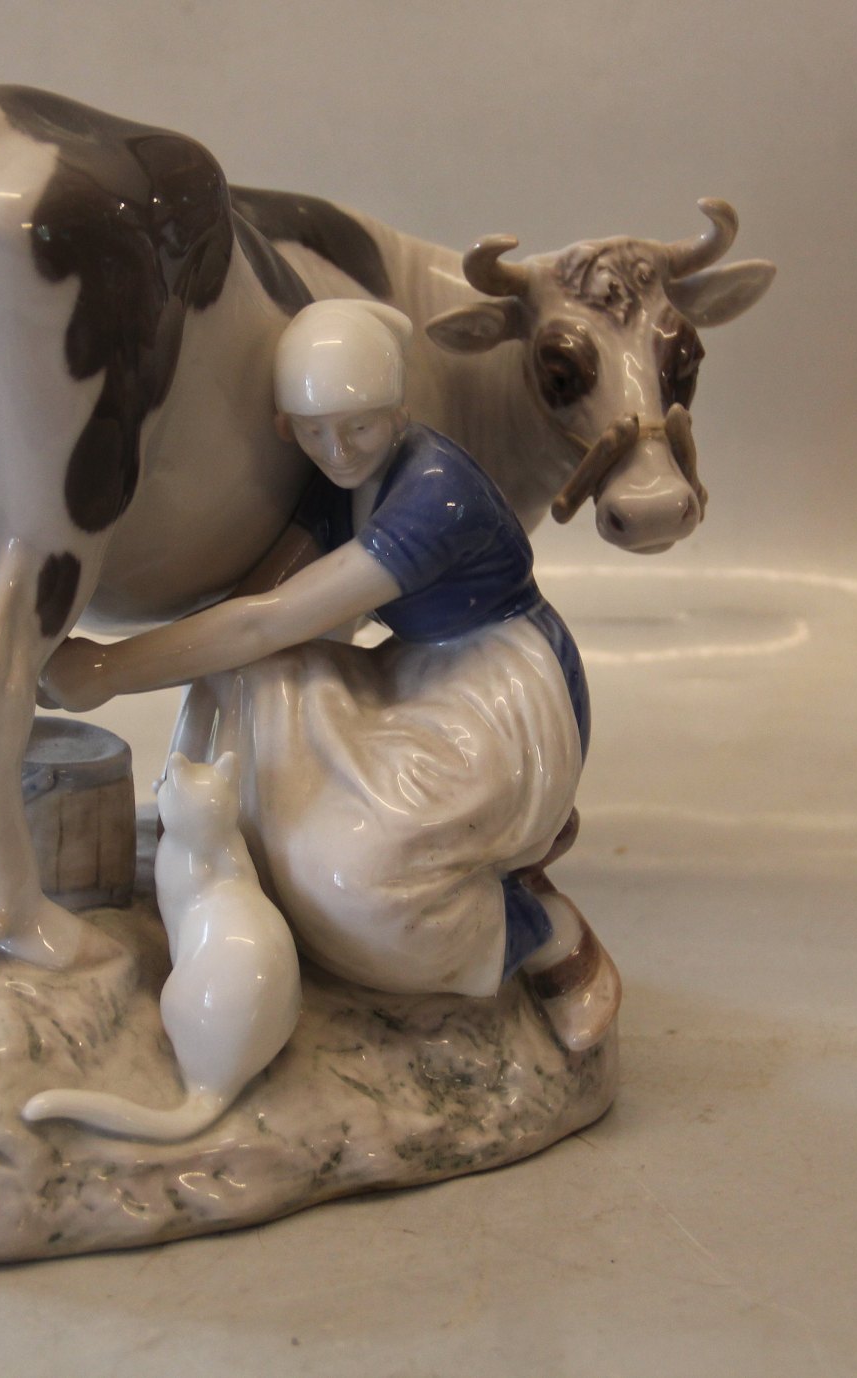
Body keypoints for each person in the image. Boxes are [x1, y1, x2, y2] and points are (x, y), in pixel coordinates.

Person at [42, 300, 618, 1050]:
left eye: (360, 427)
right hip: (415, 671)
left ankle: (541, 932)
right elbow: (255, 611)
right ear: (286, 427)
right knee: (244, 679)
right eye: (314, 431)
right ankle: (218, 853)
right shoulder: (339, 481)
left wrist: (108, 667)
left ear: (400, 412)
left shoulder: (437, 495)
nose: (338, 449)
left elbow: (268, 619)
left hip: (502, 689)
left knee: (358, 884)